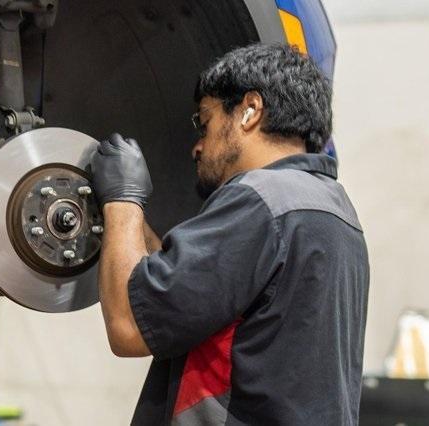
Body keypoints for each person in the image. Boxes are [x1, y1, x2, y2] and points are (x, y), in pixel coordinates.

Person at [90, 43, 369, 426]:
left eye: (205, 122)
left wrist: (122, 198)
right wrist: (129, 230)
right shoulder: (333, 209)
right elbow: (188, 288)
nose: (198, 146)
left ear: (249, 111)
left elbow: (129, 325)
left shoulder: (260, 199)